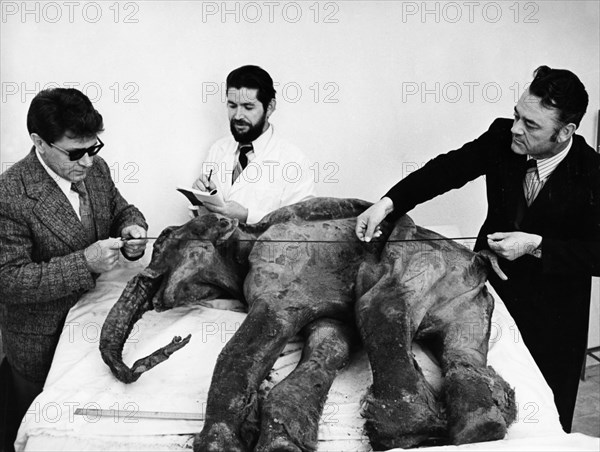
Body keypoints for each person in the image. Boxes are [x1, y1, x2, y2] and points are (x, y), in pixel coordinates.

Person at [355, 66, 599, 433]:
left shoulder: (594, 173)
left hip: (554, 315)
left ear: (565, 132)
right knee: (478, 396)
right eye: (518, 114)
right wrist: (387, 204)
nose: (516, 128)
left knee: (543, 417)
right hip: (490, 290)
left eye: (531, 125)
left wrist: (537, 246)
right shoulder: (504, 136)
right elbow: (446, 170)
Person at [0, 88, 148, 450]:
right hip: (41, 342)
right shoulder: (10, 193)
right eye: (76, 153)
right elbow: (9, 281)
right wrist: (85, 263)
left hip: (93, 324)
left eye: (94, 148)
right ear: (39, 142)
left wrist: (133, 228)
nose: (87, 162)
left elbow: (119, 209)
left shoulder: (95, 170)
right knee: (39, 433)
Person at [191, 65, 316, 224]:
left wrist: (247, 216)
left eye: (248, 107)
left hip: (264, 249)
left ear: (270, 107)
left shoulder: (294, 160)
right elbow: (202, 222)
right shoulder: (218, 149)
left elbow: (301, 224)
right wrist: (199, 199)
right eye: (232, 106)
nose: (238, 115)